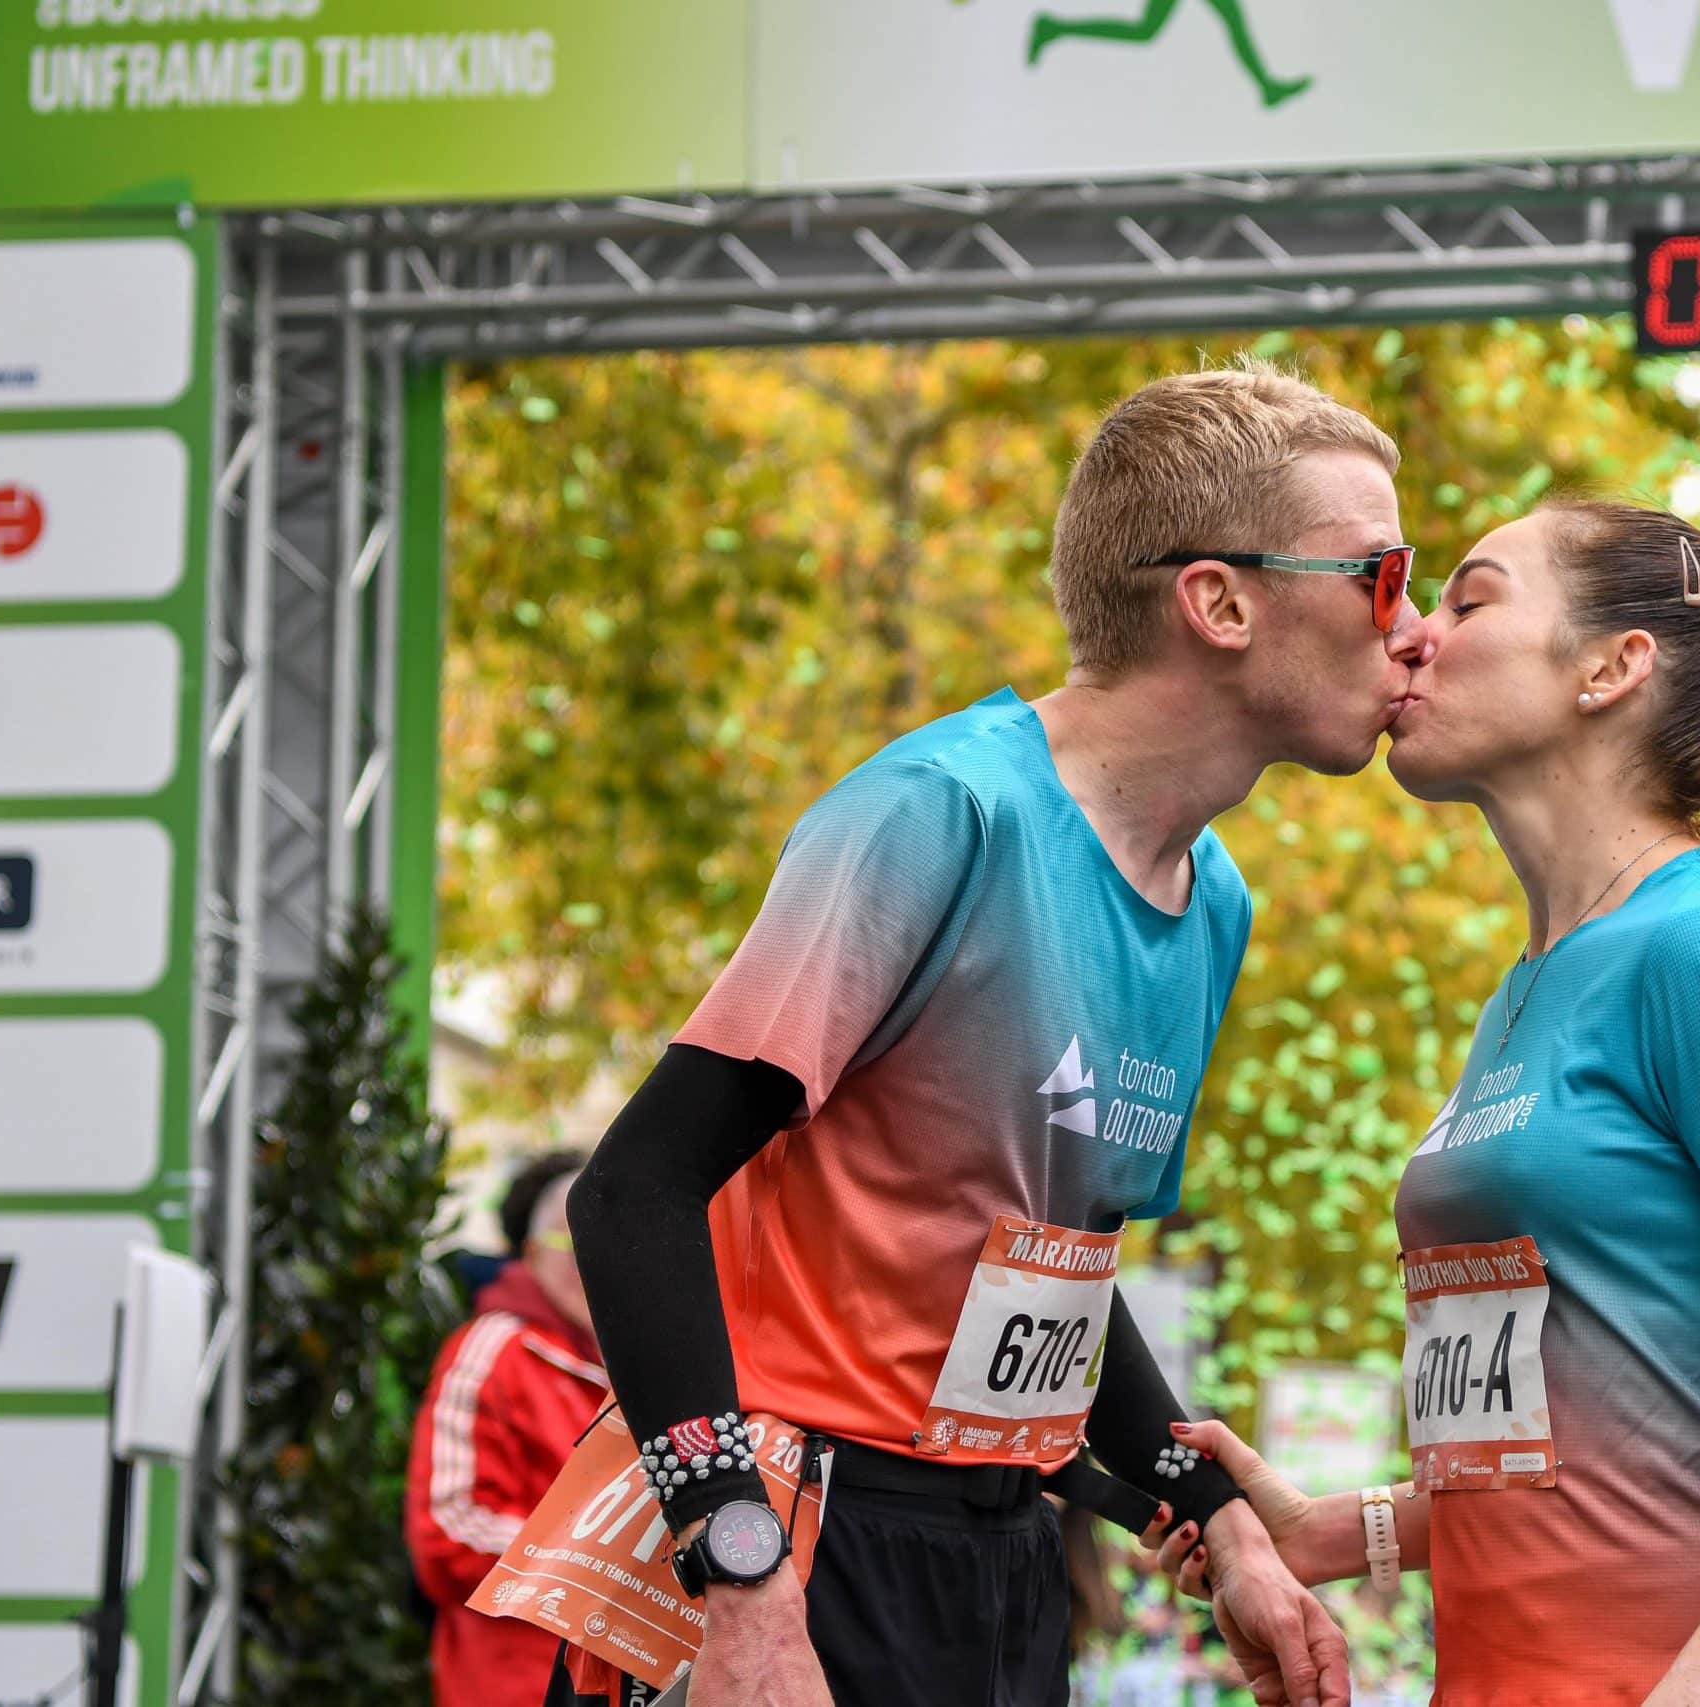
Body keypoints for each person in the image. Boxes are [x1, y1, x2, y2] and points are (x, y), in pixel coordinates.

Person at [555, 363, 1428, 1707]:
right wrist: (738, 1571)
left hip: (1006, 1547)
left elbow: (1054, 1277)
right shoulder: (935, 812)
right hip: (796, 1535)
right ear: (1219, 600)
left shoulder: (1215, 900)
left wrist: (1222, 1510)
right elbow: (630, 1189)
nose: (1415, 629)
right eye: (1382, 574)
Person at [1161, 501, 1700, 1706]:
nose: (1413, 633)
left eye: (1470, 600)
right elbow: (1600, 1449)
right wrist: (1335, 1530)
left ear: (1609, 668)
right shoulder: (1530, 986)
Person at [408, 1151, 609, 1707]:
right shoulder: (496, 1350)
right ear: (528, 1251)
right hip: (513, 1685)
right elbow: (447, 1533)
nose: (590, 1258)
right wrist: (603, 1564)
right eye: (568, 1241)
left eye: (609, 1235)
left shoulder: (644, 1363)